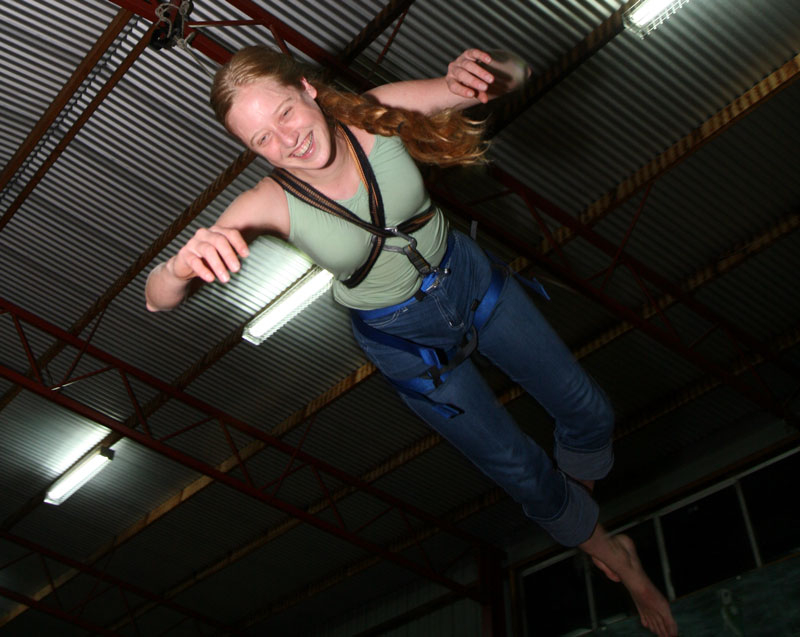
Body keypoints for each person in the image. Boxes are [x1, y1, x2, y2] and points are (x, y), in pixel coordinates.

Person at [145, 45, 677, 636]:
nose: (286, 142)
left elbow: (514, 75)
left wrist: (481, 73)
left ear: (307, 89)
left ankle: (581, 514)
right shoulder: (267, 203)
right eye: (261, 140)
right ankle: (610, 551)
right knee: (517, 467)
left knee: (588, 410)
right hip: (403, 340)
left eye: (286, 115)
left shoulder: (378, 111)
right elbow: (155, 299)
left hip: (469, 280)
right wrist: (178, 269)